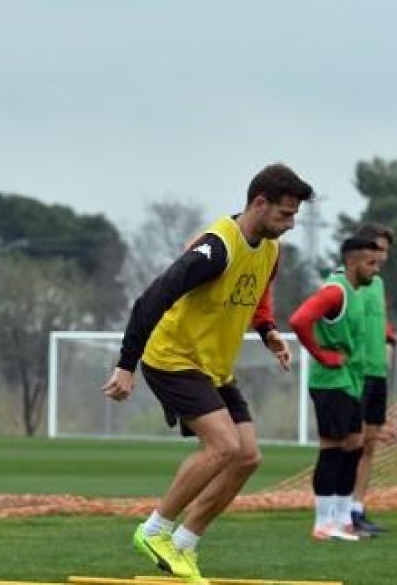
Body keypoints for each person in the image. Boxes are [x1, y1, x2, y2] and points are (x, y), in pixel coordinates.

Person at [102, 163, 313, 584]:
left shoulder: (270, 250)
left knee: (248, 456)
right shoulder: (216, 248)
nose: (291, 224)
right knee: (223, 446)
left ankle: (184, 543)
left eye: (294, 216)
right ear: (258, 202)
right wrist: (127, 366)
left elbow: (255, 294)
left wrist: (268, 331)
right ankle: (154, 531)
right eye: (284, 214)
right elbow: (150, 300)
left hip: (214, 368)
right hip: (172, 358)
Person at [289, 236, 383, 542]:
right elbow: (300, 319)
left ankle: (343, 521)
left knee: (354, 445)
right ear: (353, 261)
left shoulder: (356, 291)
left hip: (349, 382)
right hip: (331, 383)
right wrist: (321, 355)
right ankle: (323, 523)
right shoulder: (335, 290)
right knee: (332, 448)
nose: (376, 268)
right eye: (371, 263)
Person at [349, 223, 397, 535]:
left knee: (368, 446)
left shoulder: (378, 285)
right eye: (377, 249)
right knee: (348, 445)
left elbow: (376, 324)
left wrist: (388, 335)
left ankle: (357, 507)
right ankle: (337, 510)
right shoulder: (345, 282)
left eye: (386, 252)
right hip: (354, 374)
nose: (382, 257)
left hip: (377, 374)